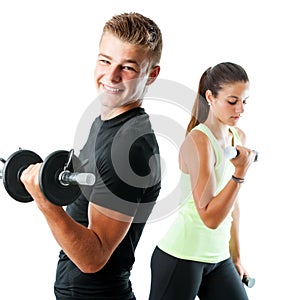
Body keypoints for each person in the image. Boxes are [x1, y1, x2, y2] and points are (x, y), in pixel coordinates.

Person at [20, 12, 162, 299]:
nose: (111, 76)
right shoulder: (105, 122)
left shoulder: (128, 151)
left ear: (152, 75)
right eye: (105, 60)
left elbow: (93, 258)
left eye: (128, 67)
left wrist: (45, 202)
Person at [149, 62, 256, 300]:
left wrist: (236, 257)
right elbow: (209, 217)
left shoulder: (238, 137)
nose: (241, 109)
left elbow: (232, 206)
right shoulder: (199, 141)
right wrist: (239, 174)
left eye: (244, 101)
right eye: (232, 101)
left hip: (219, 260)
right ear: (210, 96)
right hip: (182, 257)